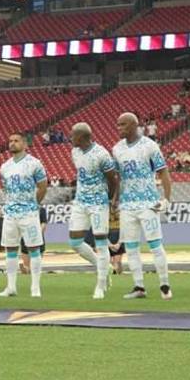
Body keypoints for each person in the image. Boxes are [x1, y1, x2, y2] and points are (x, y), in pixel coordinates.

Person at [112, 113, 174, 300]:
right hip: (127, 205)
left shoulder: (149, 146)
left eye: (122, 124)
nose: (119, 128)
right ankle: (139, 286)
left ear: (133, 125)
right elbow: (118, 177)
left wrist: (167, 198)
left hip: (148, 203)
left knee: (155, 245)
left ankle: (164, 285)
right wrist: (115, 199)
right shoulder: (117, 149)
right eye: (118, 124)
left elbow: (163, 172)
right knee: (131, 247)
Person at [68, 123, 120, 299]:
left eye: (73, 135)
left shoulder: (101, 154)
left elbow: (113, 180)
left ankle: (100, 284)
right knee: (75, 242)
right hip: (80, 202)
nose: (70, 138)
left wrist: (111, 199)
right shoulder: (75, 152)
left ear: (82, 137)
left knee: (101, 242)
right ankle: (103, 267)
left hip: (98, 203)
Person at [0, 132, 48, 298]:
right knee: (10, 249)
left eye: (16, 141)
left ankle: (35, 287)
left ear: (25, 144)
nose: (12, 143)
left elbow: (42, 186)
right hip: (11, 213)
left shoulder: (34, 163)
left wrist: (34, 205)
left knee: (34, 248)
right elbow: (6, 188)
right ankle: (11, 287)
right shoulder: (5, 166)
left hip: (29, 213)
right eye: (10, 140)